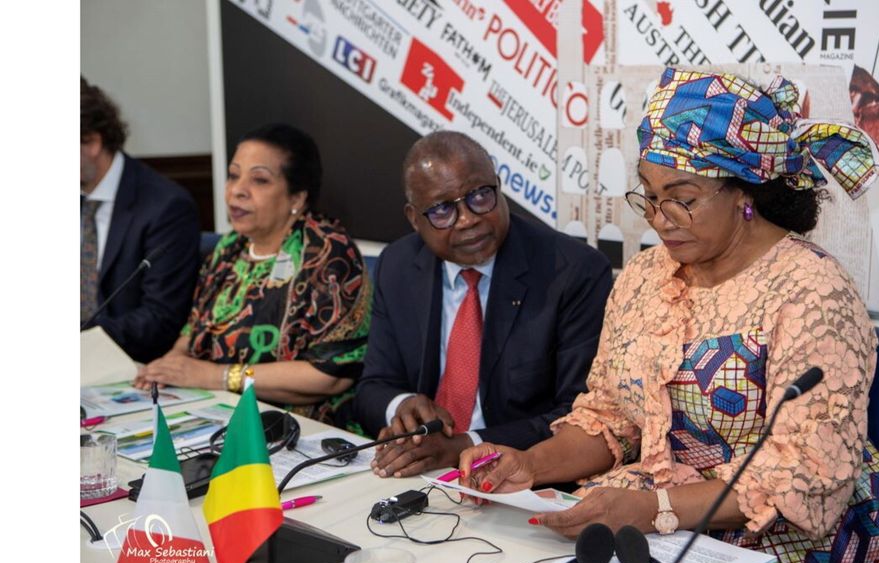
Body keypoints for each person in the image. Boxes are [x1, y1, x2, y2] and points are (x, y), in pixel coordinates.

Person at [459, 70, 879, 563]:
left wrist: (655, 509)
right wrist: (532, 463)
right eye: (650, 196)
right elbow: (611, 419)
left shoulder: (812, 291)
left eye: (682, 197)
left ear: (745, 191)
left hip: (786, 537)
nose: (659, 218)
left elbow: (805, 473)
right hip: (651, 515)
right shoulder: (643, 276)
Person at [353, 131, 612, 478]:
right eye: (443, 210)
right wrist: (401, 408)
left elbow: (577, 415)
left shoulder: (572, 272)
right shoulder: (397, 264)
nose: (468, 219)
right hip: (421, 470)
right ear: (415, 219)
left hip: (520, 479)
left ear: (498, 187)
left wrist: (463, 444)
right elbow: (372, 386)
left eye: (479, 196)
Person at [134, 123, 371, 425]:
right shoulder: (230, 248)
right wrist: (168, 367)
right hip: (220, 411)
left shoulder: (329, 255)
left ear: (297, 198)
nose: (237, 190)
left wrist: (219, 376)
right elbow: (194, 330)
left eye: (259, 180)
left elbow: (331, 374)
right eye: (234, 175)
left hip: (303, 428)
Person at [81, 78, 201, 362]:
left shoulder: (166, 207)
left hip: (131, 366)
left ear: (92, 142)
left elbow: (159, 319)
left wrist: (81, 341)